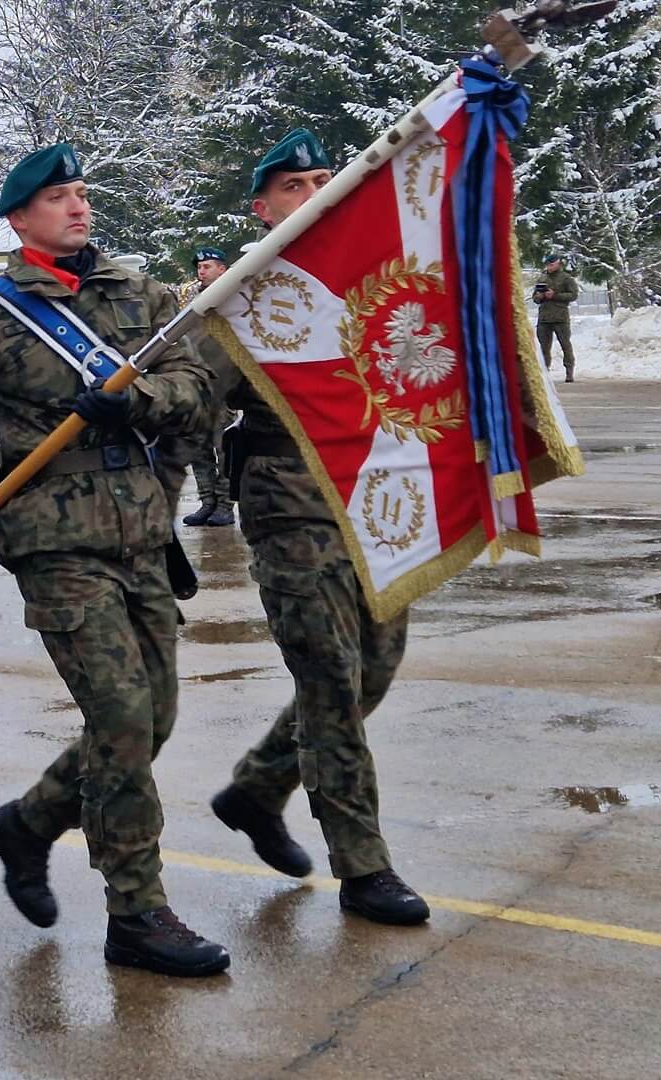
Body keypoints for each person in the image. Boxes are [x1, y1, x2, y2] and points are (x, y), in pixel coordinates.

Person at [0, 143, 230, 979]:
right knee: (124, 717)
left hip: (143, 533)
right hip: (55, 541)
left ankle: (26, 822)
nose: (78, 208)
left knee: (152, 718)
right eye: (58, 198)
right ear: (19, 220)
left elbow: (199, 388)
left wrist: (141, 400)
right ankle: (137, 911)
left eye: (82, 194)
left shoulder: (142, 295)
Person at [207, 128, 430, 927]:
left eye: (322, 180)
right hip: (290, 507)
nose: (312, 194)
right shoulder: (248, 297)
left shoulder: (376, 278)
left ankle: (258, 786)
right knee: (331, 684)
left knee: (374, 669)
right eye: (292, 186)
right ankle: (364, 868)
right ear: (262, 209)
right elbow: (190, 397)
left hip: (375, 504)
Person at [179, 246, 235, 527]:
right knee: (198, 448)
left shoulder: (233, 297)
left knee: (222, 446)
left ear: (223, 269)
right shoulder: (191, 299)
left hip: (222, 383)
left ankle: (225, 504)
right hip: (197, 383)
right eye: (199, 267)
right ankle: (207, 501)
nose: (201, 271)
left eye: (208, 266)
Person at [533, 254, 580, 382]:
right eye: (548, 264)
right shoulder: (542, 278)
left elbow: (573, 295)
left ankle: (569, 372)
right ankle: (544, 372)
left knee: (565, 345)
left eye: (552, 264)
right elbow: (535, 298)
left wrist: (555, 295)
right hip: (544, 318)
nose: (549, 267)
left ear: (558, 264)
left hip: (560, 317)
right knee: (544, 347)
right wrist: (540, 296)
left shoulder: (566, 278)